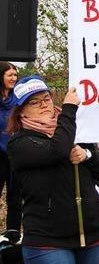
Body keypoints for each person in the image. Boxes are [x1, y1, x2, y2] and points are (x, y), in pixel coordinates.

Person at [8, 76, 99, 263]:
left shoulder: (74, 130)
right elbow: (59, 151)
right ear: (22, 111)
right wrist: (69, 109)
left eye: (46, 98)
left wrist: (87, 154)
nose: (43, 105)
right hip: (48, 241)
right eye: (34, 102)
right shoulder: (20, 143)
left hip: (93, 235)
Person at [0, 62, 21, 230]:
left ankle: (11, 236)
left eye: (15, 75)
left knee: (15, 198)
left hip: (15, 153)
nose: (14, 78)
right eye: (10, 75)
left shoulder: (18, 99)